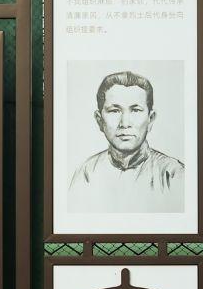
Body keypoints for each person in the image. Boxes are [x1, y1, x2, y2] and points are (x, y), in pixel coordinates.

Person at [68, 71, 186, 214]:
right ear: (99, 120)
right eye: (114, 111)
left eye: (135, 110)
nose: (125, 123)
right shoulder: (86, 172)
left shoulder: (173, 174)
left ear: (150, 119)